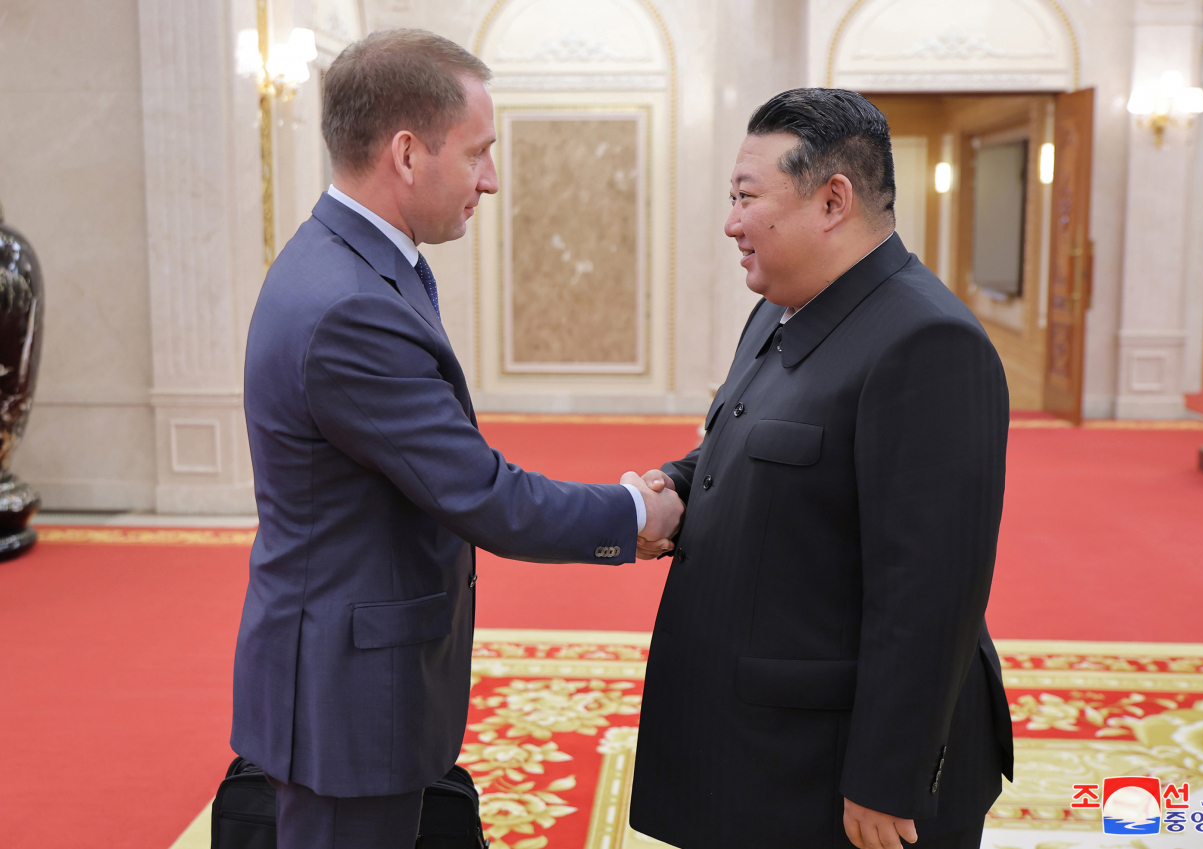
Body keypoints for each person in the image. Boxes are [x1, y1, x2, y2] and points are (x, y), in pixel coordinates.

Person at [231, 30, 683, 849]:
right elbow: (482, 493)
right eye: (479, 152)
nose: (493, 179)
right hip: (345, 699)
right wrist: (633, 512)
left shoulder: (356, 261)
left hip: (353, 668)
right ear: (407, 153)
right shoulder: (350, 305)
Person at [627, 88, 1014, 849]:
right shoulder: (781, 306)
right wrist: (675, 483)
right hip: (761, 740)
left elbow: (930, 589)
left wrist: (886, 774)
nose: (732, 222)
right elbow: (748, 439)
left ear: (832, 200)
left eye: (747, 197)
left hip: (840, 768)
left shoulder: (927, 343)